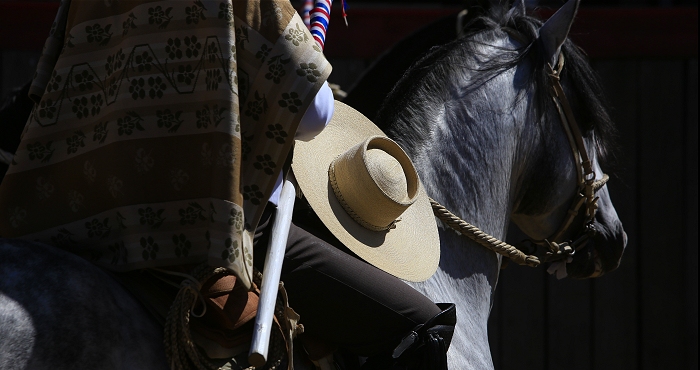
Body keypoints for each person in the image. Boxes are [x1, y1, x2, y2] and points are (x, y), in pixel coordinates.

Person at [0, 1, 455, 369]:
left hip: (71, 209)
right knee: (417, 325)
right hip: (202, 225)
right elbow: (314, 114)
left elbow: (43, 85)